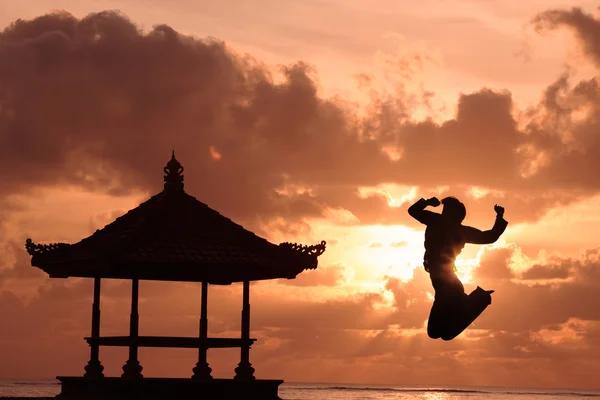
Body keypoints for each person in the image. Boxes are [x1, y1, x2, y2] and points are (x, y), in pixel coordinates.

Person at [408, 196, 508, 340]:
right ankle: (473, 300)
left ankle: (479, 298)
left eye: (447, 211)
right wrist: (427, 202)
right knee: (436, 333)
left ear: (456, 216)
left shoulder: (459, 230)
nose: (444, 214)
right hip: (442, 282)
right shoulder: (435, 220)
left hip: (449, 284)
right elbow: (413, 211)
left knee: (442, 333)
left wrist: (499, 217)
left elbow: (489, 237)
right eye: (444, 210)